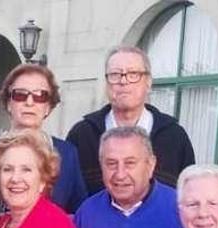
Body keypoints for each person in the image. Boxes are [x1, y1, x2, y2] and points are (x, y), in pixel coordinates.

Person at [66, 46, 194, 195]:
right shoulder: (82, 135)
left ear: (148, 82)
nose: (123, 81)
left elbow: (188, 196)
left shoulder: (174, 136)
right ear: (107, 83)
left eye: (133, 74)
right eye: (115, 74)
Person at [0, 64, 87, 214]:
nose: (29, 102)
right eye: (20, 95)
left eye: (40, 96)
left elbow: (78, 211)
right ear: (9, 103)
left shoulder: (67, 154)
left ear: (48, 106)